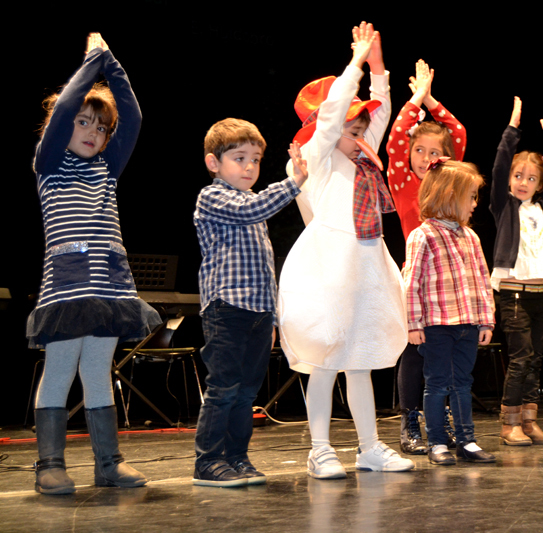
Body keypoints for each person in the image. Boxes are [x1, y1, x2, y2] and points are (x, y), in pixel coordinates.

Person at [278, 22, 414, 479]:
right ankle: (319, 449)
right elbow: (333, 113)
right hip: (329, 269)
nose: (358, 130)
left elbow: (380, 114)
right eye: (349, 126)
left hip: (366, 264)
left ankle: (369, 447)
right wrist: (355, 63)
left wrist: (378, 69)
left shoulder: (360, 155)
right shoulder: (316, 157)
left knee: (361, 361)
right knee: (325, 359)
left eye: (360, 127)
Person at [27, 33, 160, 495]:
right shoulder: (49, 165)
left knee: (99, 372)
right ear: (62, 126)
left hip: (109, 288)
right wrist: (92, 62)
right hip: (68, 288)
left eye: (101, 128)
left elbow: (134, 116)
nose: (92, 132)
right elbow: (66, 105)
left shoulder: (107, 168)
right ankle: (49, 464)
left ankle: (109, 464)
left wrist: (112, 64)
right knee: (60, 370)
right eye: (83, 123)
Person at [192, 119, 308, 487]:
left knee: (246, 393)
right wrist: (293, 183)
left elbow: (265, 268)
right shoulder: (213, 197)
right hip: (226, 308)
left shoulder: (255, 204)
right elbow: (250, 211)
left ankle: (237, 457)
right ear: (214, 163)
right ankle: (208, 462)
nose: (249, 167)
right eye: (239, 158)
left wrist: (272, 318)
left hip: (258, 312)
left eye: (255, 160)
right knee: (224, 388)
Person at [386, 59, 468, 454]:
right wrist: (417, 97)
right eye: (418, 150)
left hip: (451, 278)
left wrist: (432, 100)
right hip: (417, 278)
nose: (425, 157)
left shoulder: (449, 182)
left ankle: (441, 420)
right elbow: (394, 139)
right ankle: (410, 423)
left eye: (434, 151)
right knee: (414, 352)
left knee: (446, 355)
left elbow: (458, 132)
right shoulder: (403, 183)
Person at [404, 159, 496, 465]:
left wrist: (486, 320)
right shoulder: (423, 236)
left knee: (463, 383)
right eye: (471, 197)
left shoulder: (471, 237)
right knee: (437, 383)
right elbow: (412, 282)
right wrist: (413, 323)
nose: (475, 203)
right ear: (449, 196)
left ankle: (467, 441)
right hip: (437, 325)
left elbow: (482, 280)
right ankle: (437, 442)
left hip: (467, 324)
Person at [490, 98, 543, 446]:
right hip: (514, 294)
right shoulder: (503, 205)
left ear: (539, 184)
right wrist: (512, 129)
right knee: (520, 359)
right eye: (518, 176)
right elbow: (498, 165)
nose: (523, 182)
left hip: (542, 294)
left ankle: (529, 419)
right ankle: (509, 423)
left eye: (531, 178)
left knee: (535, 360)